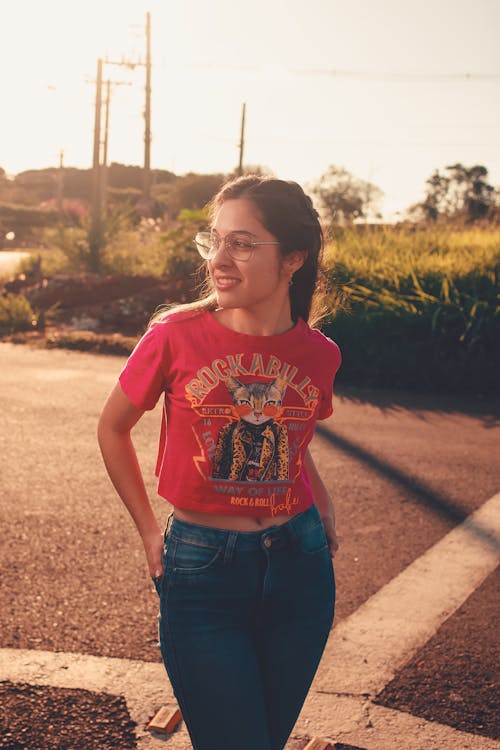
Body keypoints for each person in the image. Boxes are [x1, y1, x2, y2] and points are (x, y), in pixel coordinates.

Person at [97, 175, 342, 750]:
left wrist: (321, 501)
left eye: (243, 243)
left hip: (301, 568)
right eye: (215, 241)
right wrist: (149, 531)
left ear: (293, 259)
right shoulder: (174, 336)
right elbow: (112, 429)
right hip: (202, 568)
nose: (220, 260)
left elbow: (293, 439)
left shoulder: (320, 354)